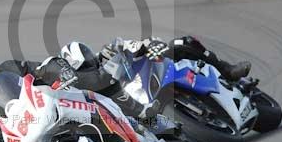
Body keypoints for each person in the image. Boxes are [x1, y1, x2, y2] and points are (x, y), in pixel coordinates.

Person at [61, 36, 251, 84]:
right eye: (82, 66)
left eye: (86, 58)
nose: (88, 64)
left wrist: (147, 45)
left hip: (153, 70)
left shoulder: (107, 51)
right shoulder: (92, 87)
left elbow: (132, 44)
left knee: (182, 42)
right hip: (139, 106)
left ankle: (227, 70)